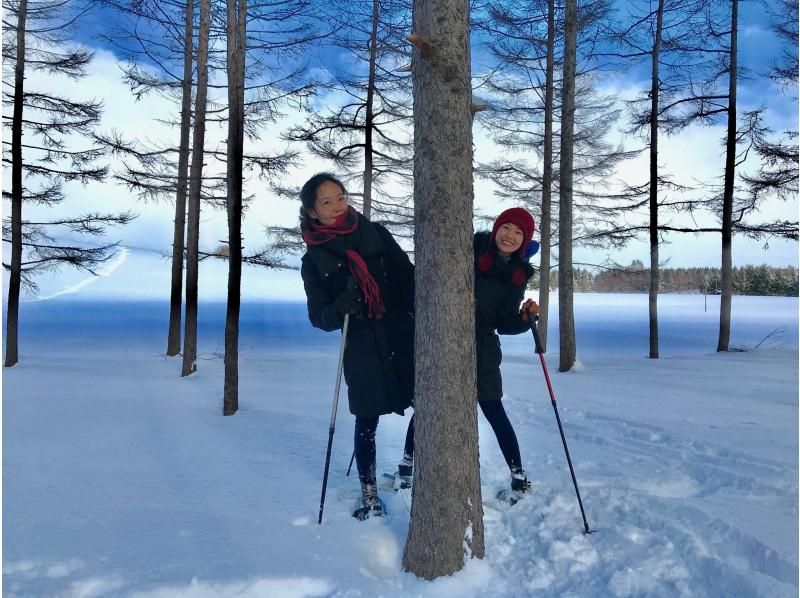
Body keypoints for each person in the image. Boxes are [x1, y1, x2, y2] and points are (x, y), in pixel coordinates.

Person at [401, 207, 539, 502]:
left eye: (518, 233)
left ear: (524, 241)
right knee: (430, 404)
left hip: (484, 349)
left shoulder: (516, 276)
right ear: (497, 227)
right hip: (445, 339)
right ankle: (407, 464)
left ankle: (518, 475)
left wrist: (525, 321)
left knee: (494, 410)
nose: (510, 236)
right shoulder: (470, 248)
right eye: (507, 228)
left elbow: (504, 322)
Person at [299, 173, 415, 520]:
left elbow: (407, 275)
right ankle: (369, 494)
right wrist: (340, 306)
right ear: (312, 212)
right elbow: (319, 316)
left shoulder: (375, 233)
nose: (337, 206)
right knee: (366, 420)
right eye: (327, 201)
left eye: (341, 196)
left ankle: (408, 465)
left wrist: (410, 309)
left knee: (426, 402)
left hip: (400, 333)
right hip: (362, 345)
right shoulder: (313, 260)